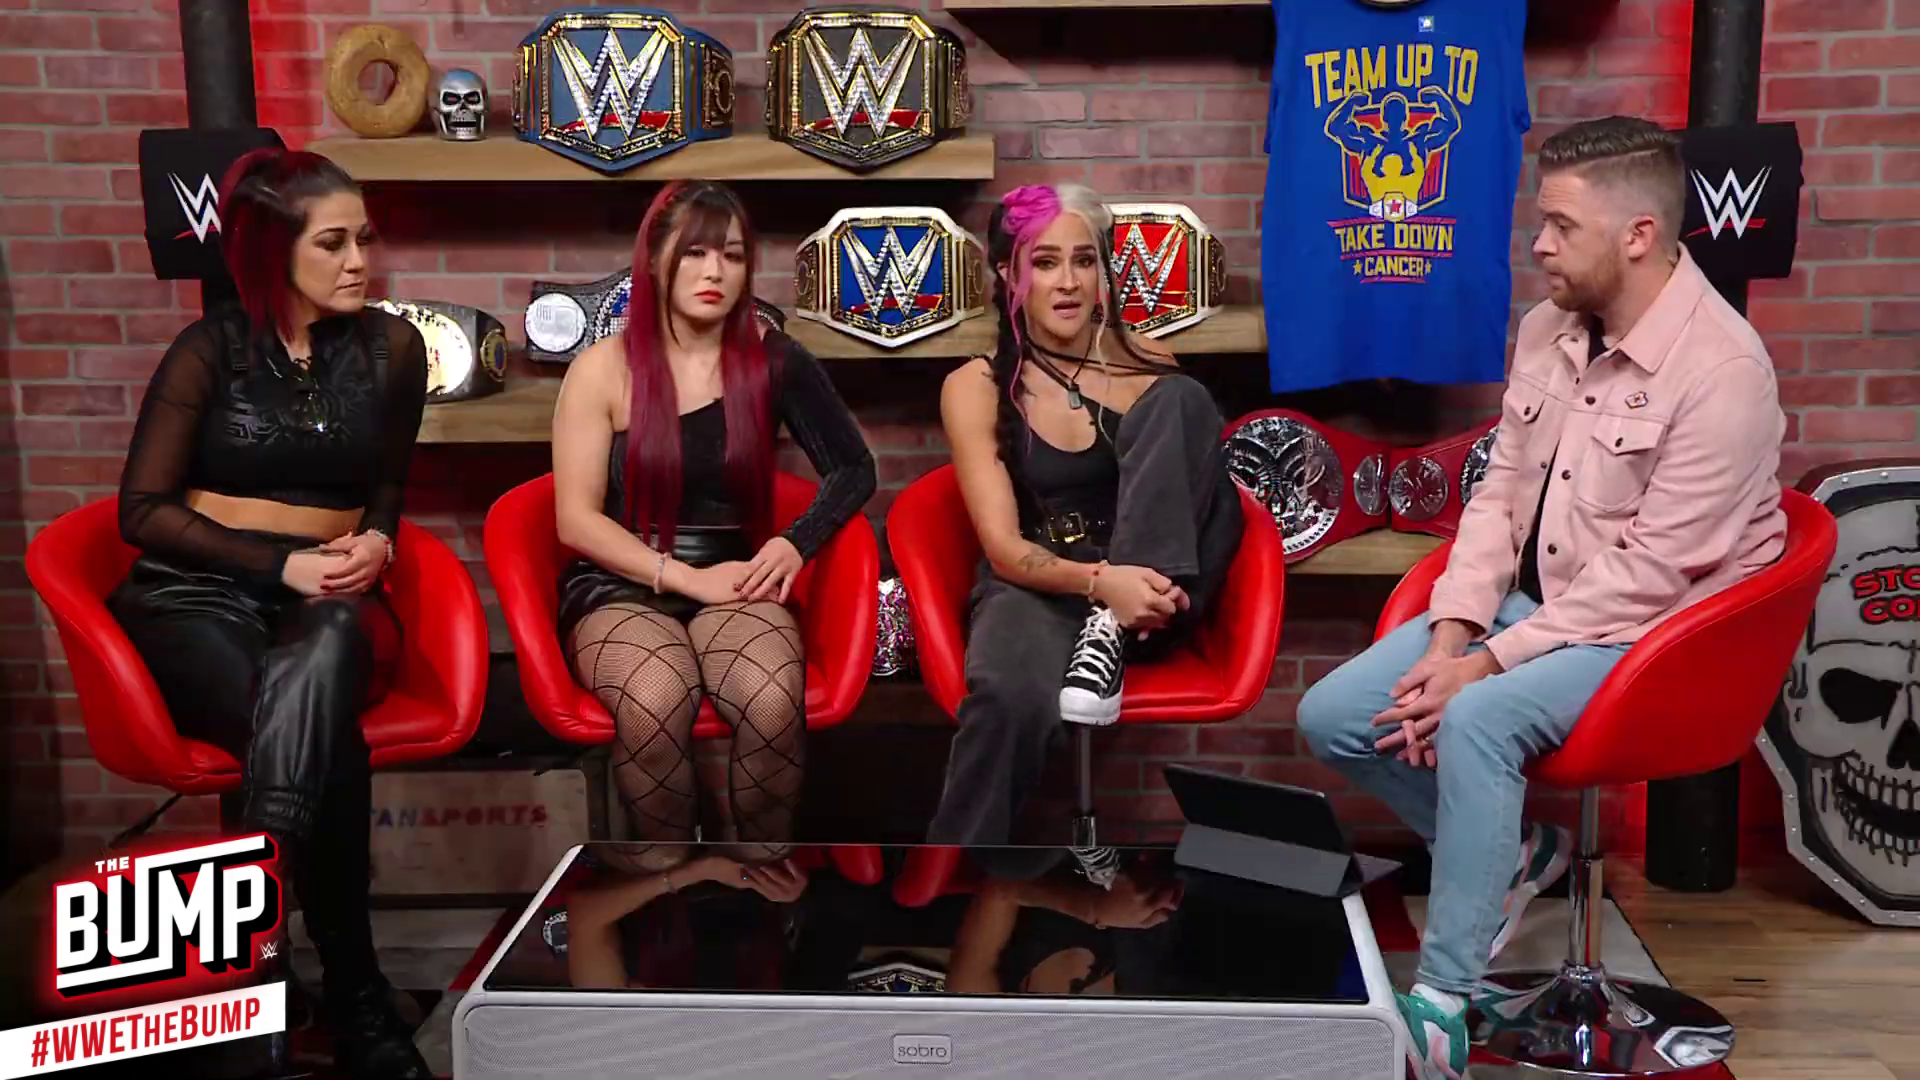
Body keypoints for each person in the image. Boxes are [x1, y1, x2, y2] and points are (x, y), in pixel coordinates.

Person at [1295, 116, 1787, 1080]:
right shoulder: (1548, 329)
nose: (1539, 245)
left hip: (1664, 637)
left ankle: (1443, 1002)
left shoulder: (1724, 371)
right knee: (1337, 714)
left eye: (1562, 226)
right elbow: (1500, 496)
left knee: (1476, 720)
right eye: (1541, 222)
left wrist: (1482, 670)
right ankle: (1515, 853)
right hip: (1554, 607)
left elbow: (1652, 575)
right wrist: (1452, 637)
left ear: (1639, 234)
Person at [108, 148, 431, 1079]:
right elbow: (142, 511)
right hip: (196, 594)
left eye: (364, 238)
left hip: (332, 602)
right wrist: (276, 563)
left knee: (326, 645)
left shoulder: (394, 349)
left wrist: (380, 541)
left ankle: (257, 964)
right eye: (332, 243)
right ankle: (359, 997)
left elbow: (387, 486)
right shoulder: (207, 351)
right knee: (328, 737)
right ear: (271, 251)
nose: (359, 260)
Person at [551, 180, 875, 867]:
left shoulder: (774, 359)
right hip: (621, 580)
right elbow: (575, 521)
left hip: (737, 577)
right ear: (654, 261)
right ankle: (674, 880)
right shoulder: (602, 369)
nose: (714, 272)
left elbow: (853, 468)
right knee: (655, 697)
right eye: (694, 252)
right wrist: (687, 579)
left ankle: (761, 873)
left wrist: (795, 542)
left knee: (771, 700)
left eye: (730, 255)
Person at [926, 183, 1244, 855]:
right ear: (1008, 276)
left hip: (1154, 592)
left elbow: (1195, 497)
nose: (1068, 282)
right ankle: (955, 879)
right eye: (1045, 263)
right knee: (1006, 697)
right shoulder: (975, 386)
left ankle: (1113, 632)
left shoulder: (1151, 366)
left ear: (1103, 272)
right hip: (1043, 583)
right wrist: (1103, 584)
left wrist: (1129, 589)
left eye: (1084, 260)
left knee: (1185, 400)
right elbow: (1004, 549)